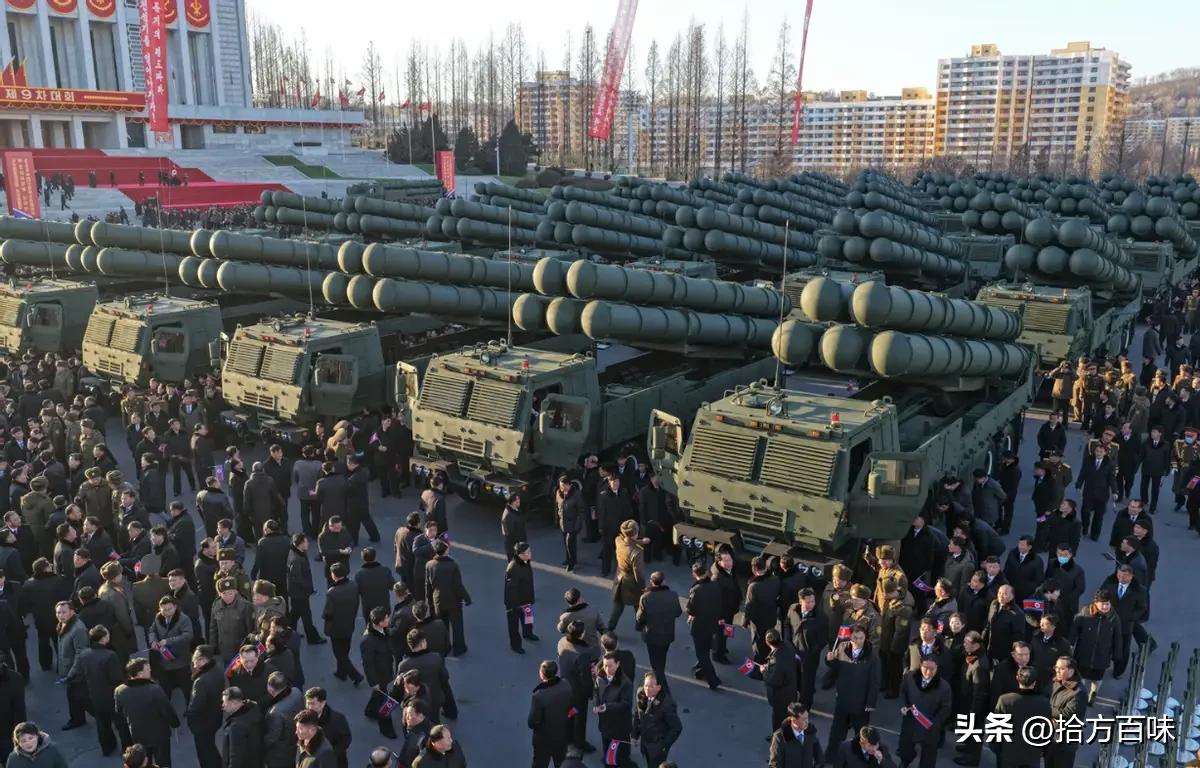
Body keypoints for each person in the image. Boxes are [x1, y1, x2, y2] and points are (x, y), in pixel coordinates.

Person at [113, 657, 179, 766]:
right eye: (147, 669)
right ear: (140, 674)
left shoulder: (119, 691)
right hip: (160, 734)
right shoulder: (154, 689)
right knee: (163, 762)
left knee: (143, 762)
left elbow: (119, 713)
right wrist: (175, 723)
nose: (150, 670)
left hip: (138, 735)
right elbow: (167, 710)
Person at [823, 625, 879, 751]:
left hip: (860, 703)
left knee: (861, 735)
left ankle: (858, 757)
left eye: (861, 638)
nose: (858, 641)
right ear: (850, 637)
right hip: (843, 699)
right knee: (837, 733)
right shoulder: (842, 647)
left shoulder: (872, 656)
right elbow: (835, 667)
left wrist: (870, 703)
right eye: (855, 638)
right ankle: (832, 756)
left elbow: (874, 681)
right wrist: (829, 660)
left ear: (865, 638)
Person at [1099, 564, 1154, 678]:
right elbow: (1100, 595)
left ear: (1131, 576)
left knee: (1122, 650)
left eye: (1124, 576)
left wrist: (1131, 617)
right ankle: (1101, 667)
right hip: (1108, 621)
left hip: (1125, 625)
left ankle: (1118, 671)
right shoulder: (1110, 582)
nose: (1121, 579)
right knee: (1104, 646)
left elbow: (1142, 608)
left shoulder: (1139, 589)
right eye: (1119, 575)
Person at [1069, 590, 1122, 704]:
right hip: (1084, 653)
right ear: (1096, 603)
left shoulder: (1113, 618)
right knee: (1081, 676)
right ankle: (1081, 694)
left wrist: (1117, 654)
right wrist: (1070, 644)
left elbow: (1117, 637)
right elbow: (1074, 630)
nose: (1105, 606)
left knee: (1097, 678)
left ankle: (1093, 693)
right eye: (1102, 603)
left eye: (1107, 604)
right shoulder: (1085, 612)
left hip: (1102, 655)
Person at [897, 658, 951, 768]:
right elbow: (903, 692)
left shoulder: (944, 686)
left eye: (932, 669)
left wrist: (935, 723)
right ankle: (905, 762)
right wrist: (903, 706)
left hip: (930, 725)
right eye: (925, 668)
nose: (928, 672)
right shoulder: (910, 677)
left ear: (937, 668)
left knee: (928, 755)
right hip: (911, 720)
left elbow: (946, 708)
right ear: (920, 665)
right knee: (906, 746)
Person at [993, 667, 1051, 768]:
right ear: (1034, 683)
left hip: (1009, 754)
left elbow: (995, 730)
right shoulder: (1044, 703)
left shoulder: (1005, 700)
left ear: (1017, 678)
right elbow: (1047, 732)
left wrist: (999, 750)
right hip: (1032, 755)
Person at [634, 571, 681, 689]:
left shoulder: (646, 597)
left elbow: (640, 617)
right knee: (662, 657)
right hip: (667, 633)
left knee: (654, 660)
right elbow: (678, 612)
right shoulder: (673, 595)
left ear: (651, 582)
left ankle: (661, 685)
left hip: (652, 634)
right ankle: (659, 676)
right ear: (664, 581)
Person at [425, 540, 470, 656]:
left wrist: (429, 602)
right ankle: (459, 648)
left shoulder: (429, 565)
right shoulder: (453, 565)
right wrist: (466, 598)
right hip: (453, 601)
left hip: (438, 601)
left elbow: (428, 586)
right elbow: (458, 585)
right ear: (445, 551)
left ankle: (444, 648)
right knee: (457, 626)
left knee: (442, 626)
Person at [323, 561, 363, 684]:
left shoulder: (332, 592)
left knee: (339, 654)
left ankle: (355, 675)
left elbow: (328, 613)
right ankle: (341, 672)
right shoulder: (353, 586)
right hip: (349, 623)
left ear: (334, 575)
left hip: (336, 627)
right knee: (344, 650)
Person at [1045, 656, 1088, 768]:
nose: (1057, 670)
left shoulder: (1079, 692)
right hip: (1051, 735)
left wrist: (1047, 710)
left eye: (1061, 668)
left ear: (1071, 671)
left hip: (1066, 741)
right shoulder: (1056, 681)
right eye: (1056, 667)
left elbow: (1067, 714)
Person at [186, 645, 225, 768]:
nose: (193, 661)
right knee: (210, 747)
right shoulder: (217, 669)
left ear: (203, 659)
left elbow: (195, 706)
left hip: (203, 723)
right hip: (215, 717)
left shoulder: (201, 681)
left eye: (196, 658)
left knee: (205, 753)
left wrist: (191, 721)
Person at [528, 660, 572, 768]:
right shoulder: (566, 684)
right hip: (562, 735)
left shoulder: (539, 696)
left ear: (541, 674)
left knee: (540, 764)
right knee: (561, 763)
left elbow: (532, 722)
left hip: (544, 739)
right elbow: (572, 707)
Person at [593, 653, 634, 768]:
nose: (607, 669)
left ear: (618, 664)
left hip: (618, 728)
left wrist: (607, 707)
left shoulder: (625, 683)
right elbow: (596, 692)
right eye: (605, 665)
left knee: (616, 758)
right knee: (607, 752)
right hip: (605, 724)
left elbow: (625, 704)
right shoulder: (600, 678)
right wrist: (596, 705)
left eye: (610, 666)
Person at [685, 561, 722, 690]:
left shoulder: (696, 590)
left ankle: (713, 679)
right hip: (712, 623)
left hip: (700, 625)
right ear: (706, 572)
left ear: (694, 574)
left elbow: (691, 609)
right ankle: (700, 671)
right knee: (705, 649)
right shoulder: (715, 585)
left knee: (701, 654)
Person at [53, 601, 88, 731]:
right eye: (58, 612)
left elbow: (81, 652)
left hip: (76, 672)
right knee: (75, 697)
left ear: (72, 612)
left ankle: (79, 719)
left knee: (80, 698)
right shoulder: (65, 624)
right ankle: (78, 719)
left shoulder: (78, 629)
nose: (60, 615)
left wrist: (72, 673)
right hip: (70, 670)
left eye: (64, 612)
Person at [608, 520, 646, 632]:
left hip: (620, 578)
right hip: (632, 582)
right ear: (636, 532)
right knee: (638, 605)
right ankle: (639, 626)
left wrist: (641, 541)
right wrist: (643, 587)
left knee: (618, 605)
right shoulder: (637, 552)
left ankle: (610, 627)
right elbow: (638, 572)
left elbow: (628, 541)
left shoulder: (618, 541)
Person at [1075, 442, 1117, 541]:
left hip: (1102, 494)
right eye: (1097, 451)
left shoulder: (1109, 464)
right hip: (1088, 492)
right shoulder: (1088, 460)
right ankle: (1085, 526)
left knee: (1098, 516)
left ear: (1105, 453)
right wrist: (1078, 485)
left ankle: (1095, 534)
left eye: (1101, 452)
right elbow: (1082, 473)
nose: (1098, 453)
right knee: (1085, 512)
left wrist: (1114, 492)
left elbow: (1112, 479)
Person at [287, 534, 324, 644]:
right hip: (300, 593)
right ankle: (312, 637)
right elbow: (297, 577)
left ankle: (289, 632)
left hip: (296, 592)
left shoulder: (297, 554)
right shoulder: (297, 559)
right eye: (305, 542)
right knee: (306, 616)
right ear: (300, 544)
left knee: (295, 613)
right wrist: (308, 588)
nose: (308, 544)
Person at [262, 672, 303, 768]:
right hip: (295, 743)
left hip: (280, 754)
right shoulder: (296, 691)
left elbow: (272, 737)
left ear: (271, 689)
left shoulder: (275, 712)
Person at [304, 687, 352, 768]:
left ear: (323, 703)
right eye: (307, 703)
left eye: (312, 703)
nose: (309, 707)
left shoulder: (337, 719)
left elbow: (346, 739)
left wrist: (331, 753)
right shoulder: (304, 716)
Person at [504, 542, 538, 654]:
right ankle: (515, 645)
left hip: (526, 598)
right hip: (515, 602)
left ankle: (528, 633)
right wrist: (512, 605)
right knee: (513, 625)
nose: (530, 554)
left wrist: (530, 598)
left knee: (528, 618)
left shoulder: (526, 562)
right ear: (520, 554)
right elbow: (510, 589)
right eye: (528, 552)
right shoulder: (513, 568)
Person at [762, 629, 798, 735]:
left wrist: (764, 672)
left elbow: (775, 681)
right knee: (788, 717)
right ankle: (787, 735)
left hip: (780, 697)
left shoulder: (777, 660)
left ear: (767, 642)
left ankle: (778, 738)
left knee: (778, 720)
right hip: (791, 690)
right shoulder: (788, 646)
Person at [219, 686, 263, 768]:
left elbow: (235, 757)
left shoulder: (236, 726)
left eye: (224, 702)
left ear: (234, 703)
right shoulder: (253, 709)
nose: (223, 705)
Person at [767, 703, 822, 768]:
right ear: (793, 719)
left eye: (807, 718)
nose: (807, 722)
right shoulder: (779, 737)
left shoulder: (810, 732)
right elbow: (775, 764)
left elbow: (819, 757)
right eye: (803, 719)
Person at [554, 476, 583, 572]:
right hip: (563, 523)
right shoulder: (558, 493)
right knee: (567, 543)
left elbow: (580, 511)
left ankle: (571, 563)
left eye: (563, 485)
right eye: (560, 485)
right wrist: (557, 520)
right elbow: (557, 507)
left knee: (569, 542)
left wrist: (578, 525)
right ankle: (570, 559)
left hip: (573, 522)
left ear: (569, 485)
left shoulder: (576, 494)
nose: (561, 488)